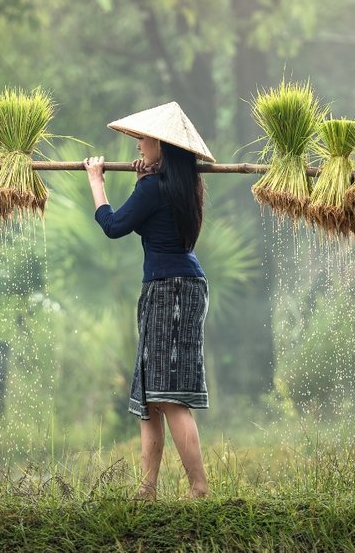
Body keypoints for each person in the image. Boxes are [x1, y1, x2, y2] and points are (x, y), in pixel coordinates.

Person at [83, 101, 215, 500]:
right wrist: (144, 180)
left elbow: (114, 225)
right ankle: (148, 488)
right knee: (151, 395)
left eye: (143, 139)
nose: (138, 145)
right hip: (178, 286)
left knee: (169, 396)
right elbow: (151, 212)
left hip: (169, 290)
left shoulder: (154, 188)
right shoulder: (181, 186)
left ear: (161, 144)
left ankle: (198, 487)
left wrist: (96, 181)